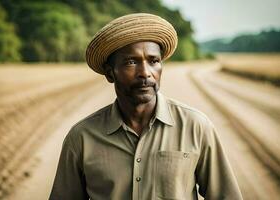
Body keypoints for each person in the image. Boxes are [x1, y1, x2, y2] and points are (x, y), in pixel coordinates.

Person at [49, 13, 243, 200]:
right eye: (131, 62)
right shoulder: (81, 137)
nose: (145, 73)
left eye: (153, 61)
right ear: (110, 73)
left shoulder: (196, 127)